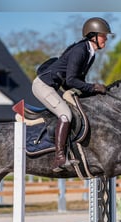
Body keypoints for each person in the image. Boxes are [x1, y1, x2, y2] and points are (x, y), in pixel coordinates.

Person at [32, 17, 113, 172]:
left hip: (55, 87)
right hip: (43, 86)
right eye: (103, 35)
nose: (106, 38)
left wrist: (91, 94)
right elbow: (71, 80)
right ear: (93, 35)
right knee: (65, 114)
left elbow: (77, 80)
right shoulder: (80, 50)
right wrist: (94, 87)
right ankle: (59, 158)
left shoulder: (90, 53)